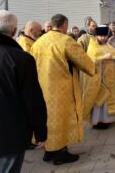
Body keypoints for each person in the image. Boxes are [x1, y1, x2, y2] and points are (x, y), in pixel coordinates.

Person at [0, 11, 47, 173]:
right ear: (14, 31)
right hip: (11, 134)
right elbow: (33, 100)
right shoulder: (21, 59)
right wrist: (41, 133)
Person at [30, 14, 95, 165]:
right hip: (61, 89)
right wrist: (93, 69)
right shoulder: (66, 40)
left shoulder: (39, 42)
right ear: (65, 25)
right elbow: (83, 61)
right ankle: (60, 154)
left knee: (47, 119)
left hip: (42, 88)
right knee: (62, 120)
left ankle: (49, 151)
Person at [83, 25, 115, 130]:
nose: (103, 38)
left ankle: (107, 119)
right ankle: (98, 121)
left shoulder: (107, 46)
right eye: (101, 36)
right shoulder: (92, 46)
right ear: (96, 36)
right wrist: (103, 57)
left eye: (104, 36)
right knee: (99, 97)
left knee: (108, 98)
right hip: (98, 78)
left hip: (109, 78)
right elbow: (90, 59)